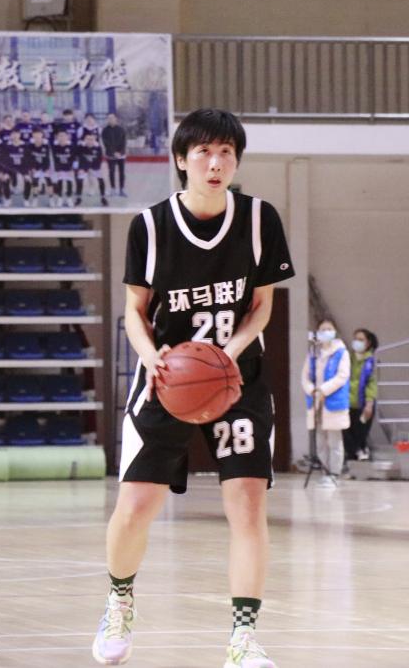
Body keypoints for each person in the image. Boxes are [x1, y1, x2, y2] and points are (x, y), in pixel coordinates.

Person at [97, 109, 294, 668]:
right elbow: (135, 311)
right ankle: (119, 600)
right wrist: (150, 356)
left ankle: (243, 639)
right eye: (204, 151)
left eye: (227, 152)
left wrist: (229, 354)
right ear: (182, 160)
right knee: (135, 508)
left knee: (248, 506)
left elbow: (261, 307)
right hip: (167, 379)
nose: (216, 162)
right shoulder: (150, 226)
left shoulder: (259, 219)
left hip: (238, 379)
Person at [301, 319, 350, 487]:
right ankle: (325, 471)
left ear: (334, 332)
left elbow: (342, 376)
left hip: (332, 401)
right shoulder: (313, 352)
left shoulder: (341, 352)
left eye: (329, 329)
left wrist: (323, 390)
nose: (326, 332)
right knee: (320, 441)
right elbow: (305, 376)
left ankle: (334, 473)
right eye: (323, 329)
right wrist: (312, 390)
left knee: (334, 441)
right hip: (316, 401)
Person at [344, 328, 379, 461]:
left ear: (368, 343)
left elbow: (371, 383)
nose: (357, 342)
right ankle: (356, 452)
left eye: (360, 340)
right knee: (346, 432)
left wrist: (369, 404)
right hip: (347, 402)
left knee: (360, 432)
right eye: (355, 339)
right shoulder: (347, 357)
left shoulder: (370, 361)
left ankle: (360, 451)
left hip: (363, 403)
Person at [75, 132, 109, 207]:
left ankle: (103, 198)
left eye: (91, 139)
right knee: (79, 180)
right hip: (84, 166)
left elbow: (99, 159)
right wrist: (81, 168)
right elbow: (78, 157)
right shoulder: (81, 147)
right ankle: (78, 198)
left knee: (101, 180)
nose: (89, 141)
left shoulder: (98, 147)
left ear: (94, 140)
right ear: (84, 140)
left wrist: (95, 168)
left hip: (95, 165)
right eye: (88, 139)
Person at [102, 112, 128, 197]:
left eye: (112, 118)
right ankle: (113, 189)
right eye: (109, 118)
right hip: (110, 155)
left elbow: (124, 142)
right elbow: (106, 143)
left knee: (122, 172)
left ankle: (122, 189)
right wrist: (113, 152)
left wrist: (120, 152)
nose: (111, 120)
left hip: (121, 155)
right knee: (111, 172)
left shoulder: (121, 129)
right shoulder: (105, 130)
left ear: (116, 119)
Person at [51, 129, 77, 207]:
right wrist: (57, 169)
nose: (61, 137)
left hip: (69, 168)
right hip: (59, 167)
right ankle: (60, 198)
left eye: (63, 136)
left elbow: (74, 158)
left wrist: (72, 169)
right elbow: (54, 159)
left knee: (69, 182)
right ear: (57, 137)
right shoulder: (54, 147)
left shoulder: (71, 146)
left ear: (67, 137)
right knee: (60, 182)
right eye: (60, 136)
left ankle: (69, 198)